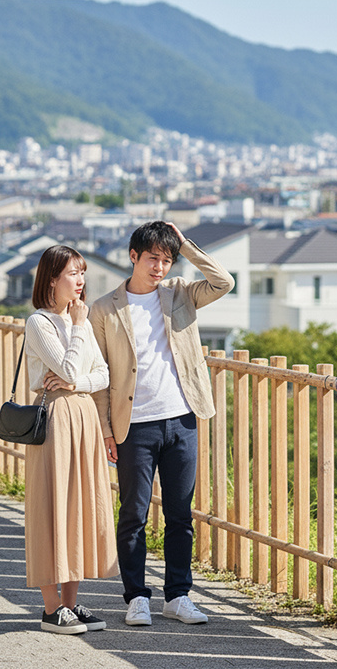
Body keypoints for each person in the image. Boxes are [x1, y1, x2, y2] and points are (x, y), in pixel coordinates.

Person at [89, 220, 233, 627]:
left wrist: (185, 245)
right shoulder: (104, 308)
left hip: (182, 418)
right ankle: (136, 596)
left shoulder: (180, 293)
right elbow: (100, 376)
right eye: (153, 258)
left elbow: (223, 281)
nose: (159, 267)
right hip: (133, 424)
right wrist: (105, 430)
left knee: (180, 515)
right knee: (133, 514)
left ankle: (178, 595)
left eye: (166, 260)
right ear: (133, 256)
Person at [23, 245, 119, 634]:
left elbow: (102, 374)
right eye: (71, 274)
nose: (79, 281)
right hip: (55, 418)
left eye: (82, 273)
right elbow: (65, 365)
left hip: (83, 416)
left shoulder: (78, 319)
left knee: (79, 506)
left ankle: (71, 604)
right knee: (52, 505)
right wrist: (79, 329)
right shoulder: (40, 323)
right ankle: (50, 610)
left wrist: (76, 380)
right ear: (51, 279)